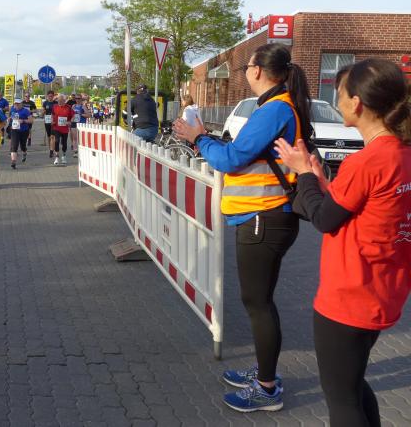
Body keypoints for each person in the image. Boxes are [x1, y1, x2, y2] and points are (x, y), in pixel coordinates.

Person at [173, 43, 315, 413]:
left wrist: (197, 138)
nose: (246, 71)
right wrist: (207, 139)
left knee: (257, 302)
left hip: (263, 218)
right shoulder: (277, 106)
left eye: (247, 67)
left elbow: (232, 159)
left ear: (257, 71)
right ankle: (265, 371)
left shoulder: (274, 109)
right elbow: (246, 154)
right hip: (265, 217)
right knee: (259, 300)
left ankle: (267, 388)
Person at [274, 59, 411, 426]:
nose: (336, 101)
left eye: (339, 94)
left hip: (349, 298)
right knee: (352, 386)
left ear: (357, 103)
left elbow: (324, 219)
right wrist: (321, 182)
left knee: (342, 400)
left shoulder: (366, 162)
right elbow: (356, 208)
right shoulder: (401, 154)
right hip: (384, 292)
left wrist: (304, 173)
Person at [9, 98, 34, 169]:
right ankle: (13, 161)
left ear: (21, 104)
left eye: (18, 104)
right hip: (14, 130)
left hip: (24, 131)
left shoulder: (26, 111)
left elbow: (31, 121)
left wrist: (23, 121)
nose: (16, 105)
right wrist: (9, 119)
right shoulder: (12, 110)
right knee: (14, 146)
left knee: (23, 146)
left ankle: (24, 152)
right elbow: (11, 117)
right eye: (15, 104)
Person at [51, 93, 74, 166]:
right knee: (56, 141)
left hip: (65, 128)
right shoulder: (55, 106)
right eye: (58, 100)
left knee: (64, 143)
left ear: (64, 100)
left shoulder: (68, 107)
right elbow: (52, 114)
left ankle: (64, 156)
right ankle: (57, 157)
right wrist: (52, 120)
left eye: (61, 100)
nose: (59, 102)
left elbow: (73, 116)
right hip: (56, 127)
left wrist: (70, 122)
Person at [41, 90, 57, 157]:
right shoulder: (45, 103)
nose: (50, 97)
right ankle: (50, 148)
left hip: (54, 121)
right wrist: (43, 113)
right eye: (49, 96)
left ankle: (52, 150)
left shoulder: (56, 103)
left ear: (53, 96)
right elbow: (42, 113)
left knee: (53, 136)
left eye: (51, 96)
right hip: (47, 121)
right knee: (49, 136)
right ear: (47, 96)